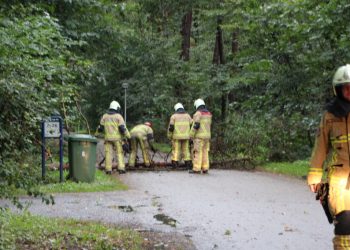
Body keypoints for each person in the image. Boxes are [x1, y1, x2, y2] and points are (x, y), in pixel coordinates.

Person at [307, 64, 350, 249]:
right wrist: (314, 175)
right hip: (338, 180)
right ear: (337, 89)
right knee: (344, 224)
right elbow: (321, 145)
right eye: (345, 88)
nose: (349, 91)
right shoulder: (329, 115)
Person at [99, 100, 130, 174]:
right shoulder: (119, 116)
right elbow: (122, 128)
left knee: (108, 154)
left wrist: (95, 135)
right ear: (117, 108)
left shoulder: (104, 116)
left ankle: (108, 170)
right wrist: (128, 136)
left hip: (107, 139)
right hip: (117, 139)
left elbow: (100, 128)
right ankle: (121, 169)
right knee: (119, 153)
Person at [189, 98, 212, 174]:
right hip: (207, 137)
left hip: (199, 137)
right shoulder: (208, 114)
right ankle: (205, 168)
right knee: (205, 152)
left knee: (197, 152)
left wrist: (191, 135)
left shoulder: (198, 114)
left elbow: (196, 125)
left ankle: (196, 169)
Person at [167, 103, 192, 169]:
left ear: (176, 109)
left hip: (176, 137)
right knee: (186, 150)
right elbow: (192, 125)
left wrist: (169, 136)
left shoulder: (173, 116)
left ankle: (175, 164)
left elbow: (171, 127)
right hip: (186, 136)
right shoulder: (188, 116)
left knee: (176, 150)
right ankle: (188, 164)